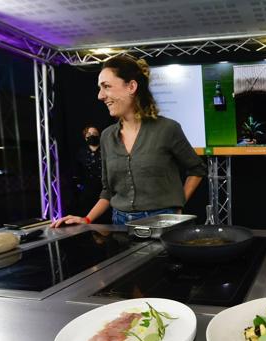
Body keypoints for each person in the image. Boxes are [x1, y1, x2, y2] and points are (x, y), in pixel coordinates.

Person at [52, 56, 206, 227]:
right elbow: (108, 191)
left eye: (107, 87)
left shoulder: (167, 129)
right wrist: (86, 219)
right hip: (120, 226)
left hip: (163, 225)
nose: (100, 96)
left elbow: (197, 169)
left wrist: (177, 206)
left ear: (131, 87)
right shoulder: (107, 136)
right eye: (100, 88)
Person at [73, 125, 106, 220]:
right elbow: (77, 171)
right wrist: (79, 186)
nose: (92, 135)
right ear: (85, 137)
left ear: (99, 136)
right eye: (89, 134)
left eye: (95, 133)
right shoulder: (81, 152)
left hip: (103, 189)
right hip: (87, 191)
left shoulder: (105, 150)